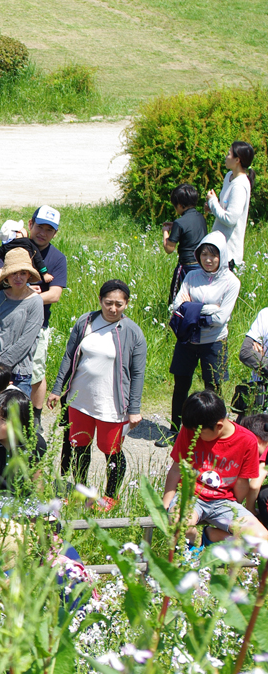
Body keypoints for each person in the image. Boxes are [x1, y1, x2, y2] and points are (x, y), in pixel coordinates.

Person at [48, 280, 147, 509]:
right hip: (79, 399)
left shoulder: (133, 332)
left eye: (119, 304)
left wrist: (134, 409)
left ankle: (110, 495)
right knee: (79, 446)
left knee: (111, 449)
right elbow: (69, 356)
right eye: (108, 303)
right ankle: (82, 492)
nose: (113, 309)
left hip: (112, 404)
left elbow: (138, 373)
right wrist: (57, 390)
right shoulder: (85, 322)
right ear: (100, 300)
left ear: (127, 304)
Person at [0, 206, 68, 427]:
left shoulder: (57, 258)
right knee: (3, 365)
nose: (42, 233)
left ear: (55, 233)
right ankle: (1, 412)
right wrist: (19, 291)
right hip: (6, 319)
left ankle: (35, 416)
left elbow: (55, 294)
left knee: (35, 370)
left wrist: (30, 299)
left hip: (38, 323)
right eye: (39, 227)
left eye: (49, 230)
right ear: (30, 224)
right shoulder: (14, 248)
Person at [162, 390, 268, 548]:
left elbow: (242, 482)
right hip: (191, 496)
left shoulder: (247, 441)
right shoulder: (191, 429)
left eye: (201, 433)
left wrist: (237, 510)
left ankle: (211, 535)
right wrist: (166, 503)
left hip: (225, 502)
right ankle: (194, 541)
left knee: (261, 539)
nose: (195, 436)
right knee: (178, 523)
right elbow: (177, 469)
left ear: (218, 426)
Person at [165, 231, 239, 438]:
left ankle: (214, 430)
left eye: (213, 255)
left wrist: (193, 308)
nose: (208, 259)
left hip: (214, 341)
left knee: (213, 387)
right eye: (204, 254)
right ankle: (174, 430)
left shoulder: (231, 282)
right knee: (181, 384)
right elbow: (177, 306)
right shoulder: (191, 276)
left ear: (222, 256)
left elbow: (221, 318)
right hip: (187, 338)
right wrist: (209, 308)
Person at [0, 389, 47, 500]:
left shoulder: (35, 442)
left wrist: (42, 509)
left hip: (23, 501)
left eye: (3, 419)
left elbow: (38, 482)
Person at [0, 250, 43, 397]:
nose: (18, 277)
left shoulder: (35, 301)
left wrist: (2, 364)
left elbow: (27, 340)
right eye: (14, 273)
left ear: (29, 275)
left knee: (16, 418)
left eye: (23, 273)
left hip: (20, 373)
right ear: (7, 276)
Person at [207, 141, 255, 270]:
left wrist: (213, 202)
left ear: (237, 160)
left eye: (229, 154)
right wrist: (212, 208)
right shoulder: (229, 177)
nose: (226, 157)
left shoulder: (239, 185)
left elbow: (230, 219)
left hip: (228, 253)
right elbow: (224, 208)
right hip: (218, 246)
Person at [162, 183, 206, 304]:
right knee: (196, 297)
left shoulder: (179, 222)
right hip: (201, 265)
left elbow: (169, 248)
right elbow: (189, 231)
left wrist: (166, 232)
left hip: (186, 266)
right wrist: (175, 227)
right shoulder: (201, 217)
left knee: (176, 299)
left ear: (180, 205)